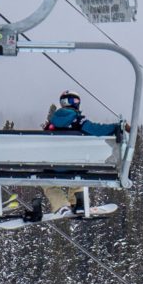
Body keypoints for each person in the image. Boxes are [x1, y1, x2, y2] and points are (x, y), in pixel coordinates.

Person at [25, 90, 126, 221]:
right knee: (79, 177)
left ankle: (61, 205)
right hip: (76, 165)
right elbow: (97, 129)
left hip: (53, 166)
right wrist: (116, 127)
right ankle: (77, 202)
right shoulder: (78, 120)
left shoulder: (51, 124)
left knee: (48, 183)